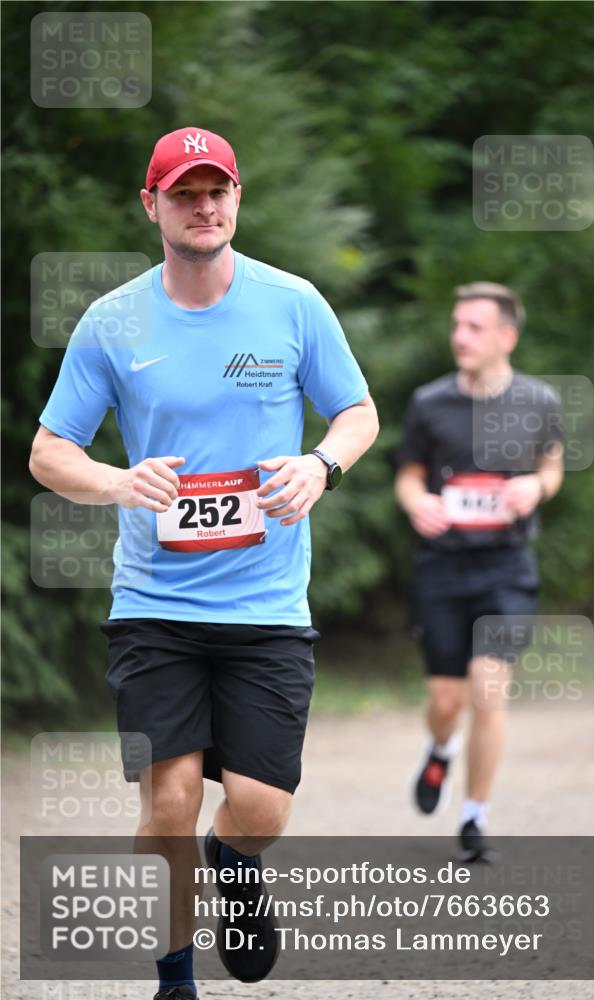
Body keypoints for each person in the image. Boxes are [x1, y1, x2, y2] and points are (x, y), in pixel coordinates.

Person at [29, 126, 379, 998]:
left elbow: (357, 413)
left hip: (265, 607)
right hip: (154, 603)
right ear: (152, 205)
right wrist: (117, 481)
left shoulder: (293, 303)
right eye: (183, 193)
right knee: (170, 802)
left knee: (257, 812)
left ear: (236, 198)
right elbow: (48, 452)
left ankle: (234, 860)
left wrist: (318, 465)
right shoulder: (113, 320)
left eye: (215, 189)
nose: (203, 206)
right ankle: (174, 976)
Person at [394, 282, 563, 860]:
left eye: (474, 327)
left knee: (489, 688)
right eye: (456, 325)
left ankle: (474, 816)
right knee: (446, 700)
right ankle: (440, 749)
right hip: (442, 566)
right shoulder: (428, 402)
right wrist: (417, 502)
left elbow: (552, 467)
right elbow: (409, 475)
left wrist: (535, 487)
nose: (459, 336)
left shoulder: (540, 401)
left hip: (506, 566)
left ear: (506, 337)